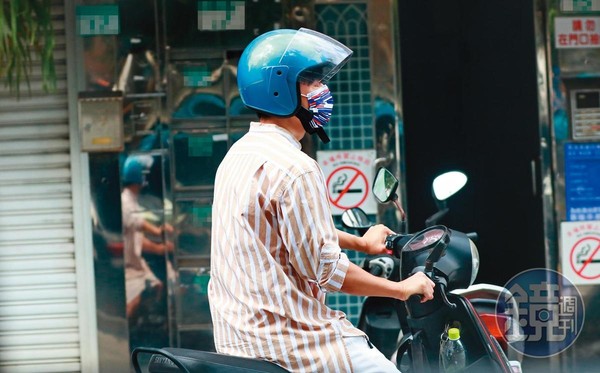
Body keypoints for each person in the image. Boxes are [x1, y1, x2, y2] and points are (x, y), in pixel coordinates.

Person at [208, 28, 435, 373]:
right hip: (292, 340)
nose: (322, 90)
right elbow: (326, 270)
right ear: (278, 88)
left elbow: (288, 232)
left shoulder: (238, 156)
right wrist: (401, 288)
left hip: (239, 339)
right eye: (310, 81)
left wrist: (360, 242)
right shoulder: (296, 168)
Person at [121, 155, 173, 318]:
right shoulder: (126, 201)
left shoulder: (132, 200)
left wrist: (159, 245)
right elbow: (137, 223)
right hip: (130, 265)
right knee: (133, 301)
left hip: (137, 263)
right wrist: (158, 235)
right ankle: (131, 329)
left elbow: (137, 231)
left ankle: (147, 322)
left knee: (159, 285)